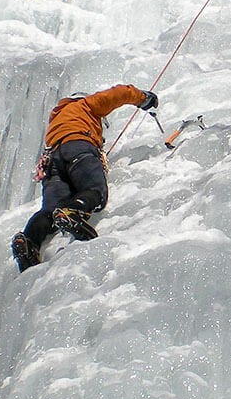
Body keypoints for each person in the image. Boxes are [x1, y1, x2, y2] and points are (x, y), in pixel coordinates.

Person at [10, 84, 158, 272]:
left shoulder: (56, 121)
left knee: (50, 210)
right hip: (78, 148)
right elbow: (119, 94)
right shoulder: (86, 105)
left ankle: (30, 239)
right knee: (96, 191)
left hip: (52, 160)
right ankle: (72, 212)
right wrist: (143, 98)